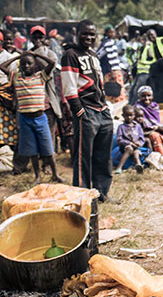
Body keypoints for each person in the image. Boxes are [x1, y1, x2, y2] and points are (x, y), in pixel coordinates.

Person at [61, 19, 115, 202]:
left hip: (102, 110)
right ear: (77, 33)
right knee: (83, 157)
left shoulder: (93, 54)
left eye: (92, 34)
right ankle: (82, 196)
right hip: (86, 111)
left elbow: (99, 84)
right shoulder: (70, 54)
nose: (89, 37)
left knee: (103, 155)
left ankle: (101, 193)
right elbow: (69, 88)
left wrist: (106, 105)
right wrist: (79, 112)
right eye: (85, 33)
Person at [0, 51, 64, 183]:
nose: (26, 66)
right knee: (32, 150)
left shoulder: (41, 77)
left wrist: (35, 55)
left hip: (40, 118)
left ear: (35, 65)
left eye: (29, 63)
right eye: (23, 64)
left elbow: (52, 63)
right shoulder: (16, 77)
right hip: (25, 120)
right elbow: (2, 66)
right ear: (20, 66)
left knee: (48, 149)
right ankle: (37, 176)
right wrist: (19, 57)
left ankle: (55, 174)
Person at [135, 85, 163, 158]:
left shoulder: (154, 106)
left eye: (149, 95)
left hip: (156, 128)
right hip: (143, 131)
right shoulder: (137, 108)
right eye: (143, 96)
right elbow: (140, 125)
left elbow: (157, 122)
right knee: (155, 136)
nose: (146, 98)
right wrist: (156, 128)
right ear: (139, 97)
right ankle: (162, 157)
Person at [97, 25, 125, 102]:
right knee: (113, 92)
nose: (112, 34)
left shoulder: (111, 42)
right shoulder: (106, 43)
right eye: (110, 32)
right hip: (112, 72)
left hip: (116, 70)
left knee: (117, 91)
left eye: (113, 32)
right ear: (106, 33)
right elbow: (99, 55)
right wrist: (110, 70)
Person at [114, 104, 145, 174]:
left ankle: (139, 166)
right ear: (123, 115)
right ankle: (119, 167)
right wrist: (129, 143)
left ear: (134, 115)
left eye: (131, 115)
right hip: (125, 147)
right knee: (130, 149)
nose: (129, 117)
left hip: (136, 146)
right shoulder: (121, 127)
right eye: (126, 115)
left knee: (136, 153)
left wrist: (139, 143)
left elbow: (142, 138)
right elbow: (119, 139)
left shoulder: (138, 126)